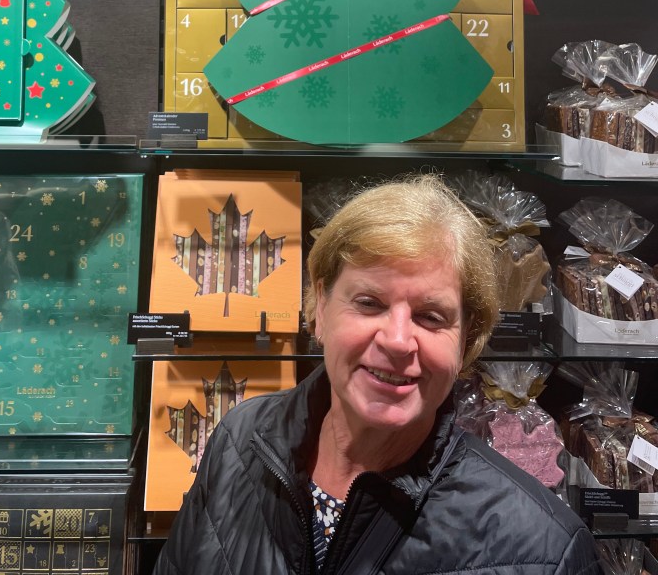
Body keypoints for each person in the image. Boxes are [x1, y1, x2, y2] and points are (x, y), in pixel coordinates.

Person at [155, 174, 603, 575]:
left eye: (430, 316)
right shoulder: (238, 440)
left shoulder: (547, 552)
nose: (397, 340)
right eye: (369, 303)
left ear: (467, 341)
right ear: (320, 308)